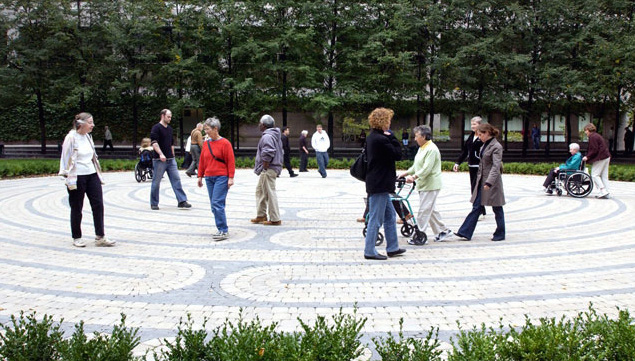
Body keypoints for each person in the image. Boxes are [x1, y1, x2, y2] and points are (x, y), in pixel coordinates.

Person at [59, 112, 116, 248]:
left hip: (92, 174)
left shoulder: (88, 137)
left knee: (98, 204)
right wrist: (66, 175)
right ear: (81, 124)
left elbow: (92, 156)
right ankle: (77, 237)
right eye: (90, 122)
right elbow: (65, 157)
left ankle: (100, 236)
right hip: (77, 177)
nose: (93, 125)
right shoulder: (71, 137)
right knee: (77, 206)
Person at [398, 125, 453, 244]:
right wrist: (405, 173)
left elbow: (426, 169)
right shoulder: (422, 148)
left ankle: (419, 235)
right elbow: (417, 166)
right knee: (431, 209)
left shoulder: (431, 149)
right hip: (424, 184)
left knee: (424, 210)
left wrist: (413, 177)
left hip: (431, 184)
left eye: (417, 136)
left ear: (423, 136)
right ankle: (443, 231)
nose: (415, 139)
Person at [363, 107, 405, 260]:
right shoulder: (381, 139)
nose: (390, 123)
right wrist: (393, 138)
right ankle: (369, 250)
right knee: (375, 218)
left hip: (378, 182)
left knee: (389, 215)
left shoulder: (372, 137)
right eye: (388, 120)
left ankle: (392, 247)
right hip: (380, 184)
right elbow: (397, 154)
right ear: (383, 121)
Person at [455, 123, 506, 242]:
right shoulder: (484, 145)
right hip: (482, 181)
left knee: (497, 207)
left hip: (492, 182)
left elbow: (496, 166)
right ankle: (465, 232)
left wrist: (489, 182)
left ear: (487, 133)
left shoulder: (496, 146)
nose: (479, 137)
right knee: (477, 206)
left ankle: (500, 232)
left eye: (481, 135)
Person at [197, 117, 235, 241]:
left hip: (221, 177)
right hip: (209, 177)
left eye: (207, 129)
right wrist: (200, 176)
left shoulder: (225, 143)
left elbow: (230, 161)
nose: (205, 132)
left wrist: (230, 177)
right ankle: (221, 228)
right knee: (214, 205)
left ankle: (223, 230)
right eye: (205, 129)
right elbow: (202, 160)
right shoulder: (206, 144)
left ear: (215, 129)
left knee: (217, 203)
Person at [150, 109, 191, 210]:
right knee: (156, 182)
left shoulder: (170, 129)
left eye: (171, 117)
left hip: (170, 160)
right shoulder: (156, 128)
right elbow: (154, 143)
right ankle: (154, 203)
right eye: (168, 117)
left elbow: (171, 143)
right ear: (163, 116)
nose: (170, 119)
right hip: (159, 160)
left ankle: (182, 201)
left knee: (176, 179)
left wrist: (173, 155)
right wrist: (160, 154)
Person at [250, 115, 284, 226]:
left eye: (260, 123)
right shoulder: (273, 135)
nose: (259, 125)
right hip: (270, 167)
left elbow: (268, 152)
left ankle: (275, 219)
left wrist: (265, 166)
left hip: (269, 168)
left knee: (270, 192)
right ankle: (261, 215)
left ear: (264, 125)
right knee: (260, 191)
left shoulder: (267, 136)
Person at [453, 116, 486, 218]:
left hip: (480, 166)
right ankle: (480, 210)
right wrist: (458, 163)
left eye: (474, 124)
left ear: (480, 125)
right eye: (471, 124)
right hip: (471, 166)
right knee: (474, 188)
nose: (472, 126)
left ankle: (478, 211)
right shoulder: (471, 137)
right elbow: (465, 151)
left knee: (478, 188)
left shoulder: (483, 137)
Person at [582, 123, 611, 199]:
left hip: (600, 157)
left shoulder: (592, 137)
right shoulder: (597, 135)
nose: (585, 133)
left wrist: (587, 157)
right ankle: (606, 192)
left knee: (594, 175)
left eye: (585, 131)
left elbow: (594, 149)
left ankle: (602, 190)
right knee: (604, 176)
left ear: (588, 130)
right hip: (606, 156)